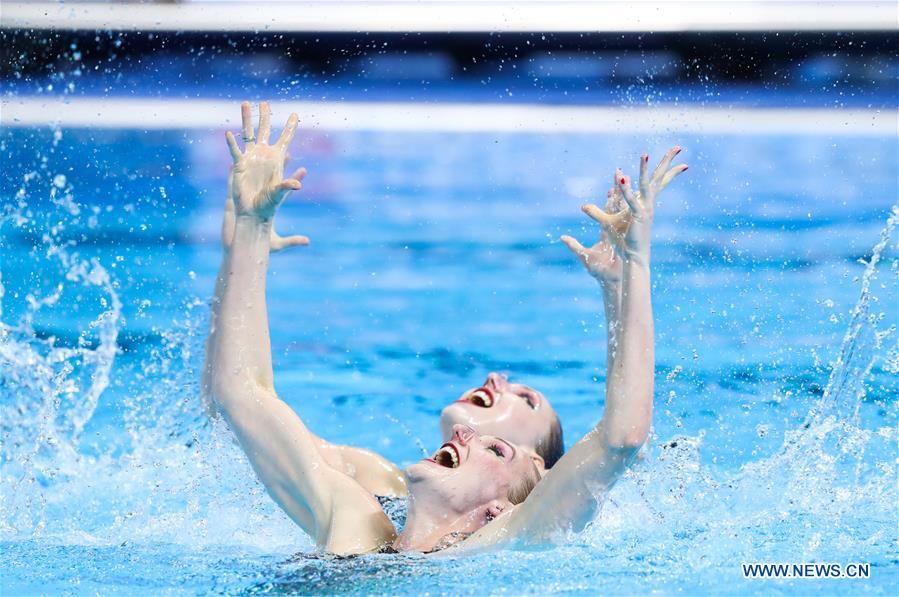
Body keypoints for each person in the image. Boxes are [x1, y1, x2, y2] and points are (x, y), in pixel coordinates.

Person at [203, 101, 687, 555]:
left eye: (497, 448)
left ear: (497, 511)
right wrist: (248, 228)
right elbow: (241, 392)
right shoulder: (354, 515)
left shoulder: (504, 542)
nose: (463, 436)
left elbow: (620, 440)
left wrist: (633, 270)